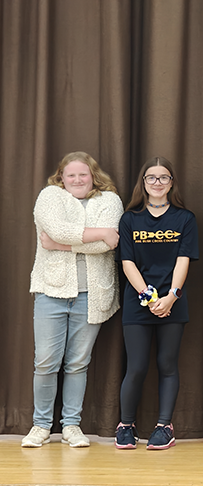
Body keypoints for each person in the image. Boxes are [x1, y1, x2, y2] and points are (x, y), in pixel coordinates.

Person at [24, 152, 123, 448]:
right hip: (51, 291)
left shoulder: (110, 200)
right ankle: (41, 425)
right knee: (45, 363)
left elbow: (107, 246)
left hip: (91, 295)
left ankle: (71, 426)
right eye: (71, 175)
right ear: (61, 178)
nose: (77, 180)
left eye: (83, 174)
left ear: (93, 175)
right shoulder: (49, 196)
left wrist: (60, 246)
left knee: (78, 363)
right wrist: (99, 234)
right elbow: (56, 230)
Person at [114, 157, 198, 450]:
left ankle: (164, 426)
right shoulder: (130, 219)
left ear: (171, 182)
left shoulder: (185, 218)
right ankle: (126, 425)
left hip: (173, 302)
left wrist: (171, 296)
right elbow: (127, 263)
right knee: (136, 366)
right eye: (152, 177)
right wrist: (150, 299)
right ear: (144, 183)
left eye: (164, 177)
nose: (158, 182)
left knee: (167, 364)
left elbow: (183, 260)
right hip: (139, 303)